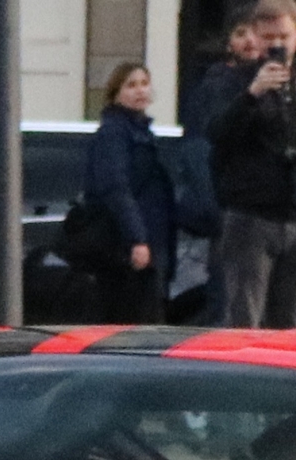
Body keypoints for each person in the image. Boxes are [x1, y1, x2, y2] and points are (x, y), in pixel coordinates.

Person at [207, 0, 296, 331]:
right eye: (268, 37)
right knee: (244, 321)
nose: (276, 45)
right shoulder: (233, 81)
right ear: (254, 35)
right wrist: (252, 93)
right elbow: (216, 135)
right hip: (251, 216)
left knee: (289, 326)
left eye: (284, 36)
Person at [82, 62, 174, 325]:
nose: (140, 91)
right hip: (125, 246)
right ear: (115, 93)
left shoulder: (142, 132)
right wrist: (137, 238)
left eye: (144, 84)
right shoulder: (114, 133)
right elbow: (115, 188)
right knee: (133, 318)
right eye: (131, 85)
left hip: (149, 240)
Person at [176, 4, 259, 236]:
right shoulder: (217, 85)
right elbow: (202, 148)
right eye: (241, 33)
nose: (250, 40)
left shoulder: (273, 82)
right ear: (228, 42)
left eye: (256, 32)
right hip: (227, 216)